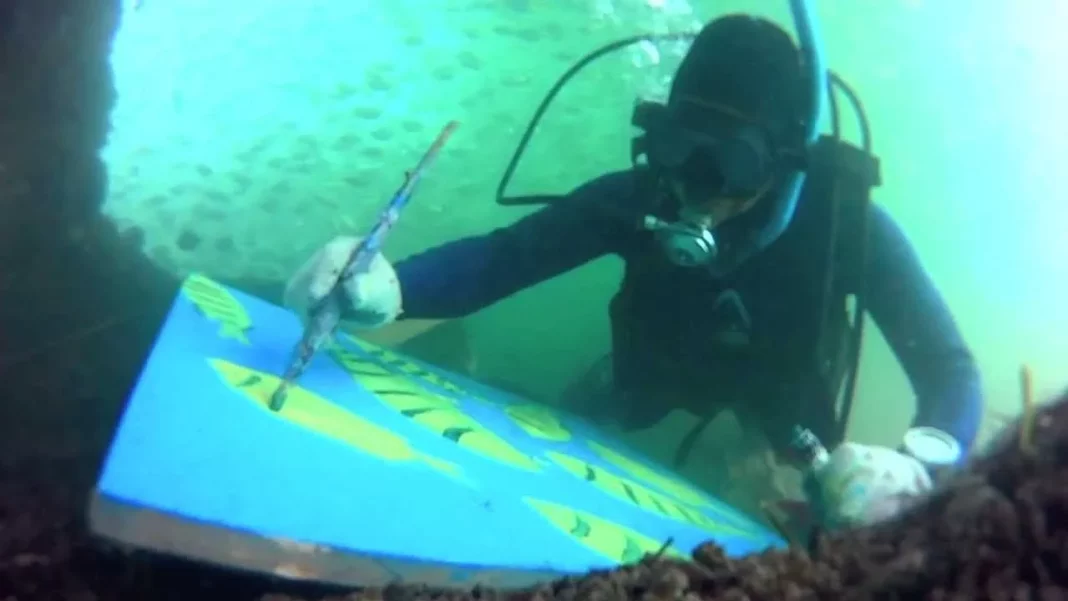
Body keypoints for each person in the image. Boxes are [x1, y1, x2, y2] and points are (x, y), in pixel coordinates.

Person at [283, 15, 982, 523]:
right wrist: (389, 285)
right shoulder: (640, 196)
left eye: (729, 163)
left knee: (825, 512)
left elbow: (949, 369)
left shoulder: (846, 230)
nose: (695, 185)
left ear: (786, 160)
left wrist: (918, 465)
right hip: (651, 370)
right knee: (571, 426)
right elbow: (505, 258)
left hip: (786, 406)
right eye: (678, 147)